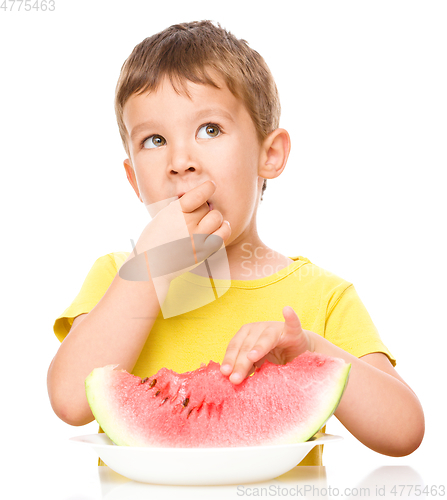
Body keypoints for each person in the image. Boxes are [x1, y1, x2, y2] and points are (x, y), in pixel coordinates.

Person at [47, 20, 424, 466]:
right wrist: (149, 268)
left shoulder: (321, 296)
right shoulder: (118, 276)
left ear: (270, 154)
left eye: (209, 129)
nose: (180, 162)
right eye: (154, 140)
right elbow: (72, 401)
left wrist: (311, 350)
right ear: (133, 178)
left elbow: (404, 431)